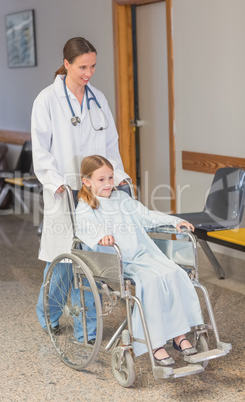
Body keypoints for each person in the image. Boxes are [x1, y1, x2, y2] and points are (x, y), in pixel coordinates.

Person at [31, 37, 129, 333]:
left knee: (88, 260)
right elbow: (41, 149)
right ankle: (48, 315)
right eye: (82, 67)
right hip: (65, 190)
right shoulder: (47, 99)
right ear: (67, 64)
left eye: (93, 66)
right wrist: (56, 182)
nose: (88, 73)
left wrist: (119, 176)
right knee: (63, 261)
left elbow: (111, 144)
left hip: (93, 191)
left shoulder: (98, 98)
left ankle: (86, 330)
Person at [75, 155, 204, 366]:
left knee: (174, 273)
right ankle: (154, 343)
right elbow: (86, 227)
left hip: (142, 255)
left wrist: (174, 221)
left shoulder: (122, 200)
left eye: (110, 178)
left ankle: (179, 335)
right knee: (151, 281)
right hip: (117, 262)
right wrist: (101, 236)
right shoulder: (85, 206)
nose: (108, 183)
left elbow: (148, 216)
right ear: (86, 181)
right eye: (101, 180)